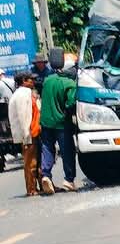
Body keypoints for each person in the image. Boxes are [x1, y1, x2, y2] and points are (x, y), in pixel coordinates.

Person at [39, 58, 77, 194]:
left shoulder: (47, 80)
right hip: (61, 123)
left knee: (47, 148)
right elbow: (70, 104)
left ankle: (46, 175)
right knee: (67, 151)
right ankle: (69, 180)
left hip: (45, 122)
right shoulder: (70, 84)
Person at [7, 72, 40, 196]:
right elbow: (23, 116)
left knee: (35, 161)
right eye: (30, 80)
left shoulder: (27, 93)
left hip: (35, 131)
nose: (33, 82)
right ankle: (31, 189)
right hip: (29, 133)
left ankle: (38, 186)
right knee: (30, 162)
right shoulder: (21, 95)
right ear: (24, 81)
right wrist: (26, 136)